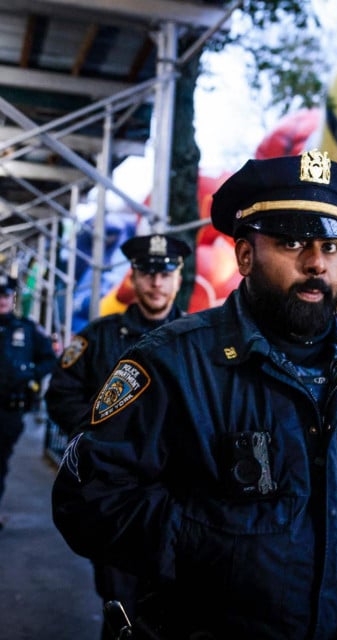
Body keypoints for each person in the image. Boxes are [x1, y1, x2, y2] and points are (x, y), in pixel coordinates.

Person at [52, 150, 337, 640]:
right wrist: (214, 548)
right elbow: (89, 498)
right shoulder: (173, 363)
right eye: (290, 243)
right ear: (244, 255)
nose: (315, 263)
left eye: (329, 246)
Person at [45, 232, 192, 638]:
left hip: (179, 500)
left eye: (166, 273)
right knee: (122, 610)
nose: (157, 283)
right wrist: (103, 438)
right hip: (117, 501)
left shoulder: (201, 339)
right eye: (147, 272)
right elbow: (62, 394)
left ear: (179, 277)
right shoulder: (98, 336)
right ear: (134, 277)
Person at [0, 272, 56, 529]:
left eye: (5, 294)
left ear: (12, 298)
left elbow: (49, 359)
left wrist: (29, 375)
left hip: (9, 410)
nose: (1, 299)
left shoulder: (27, 328)